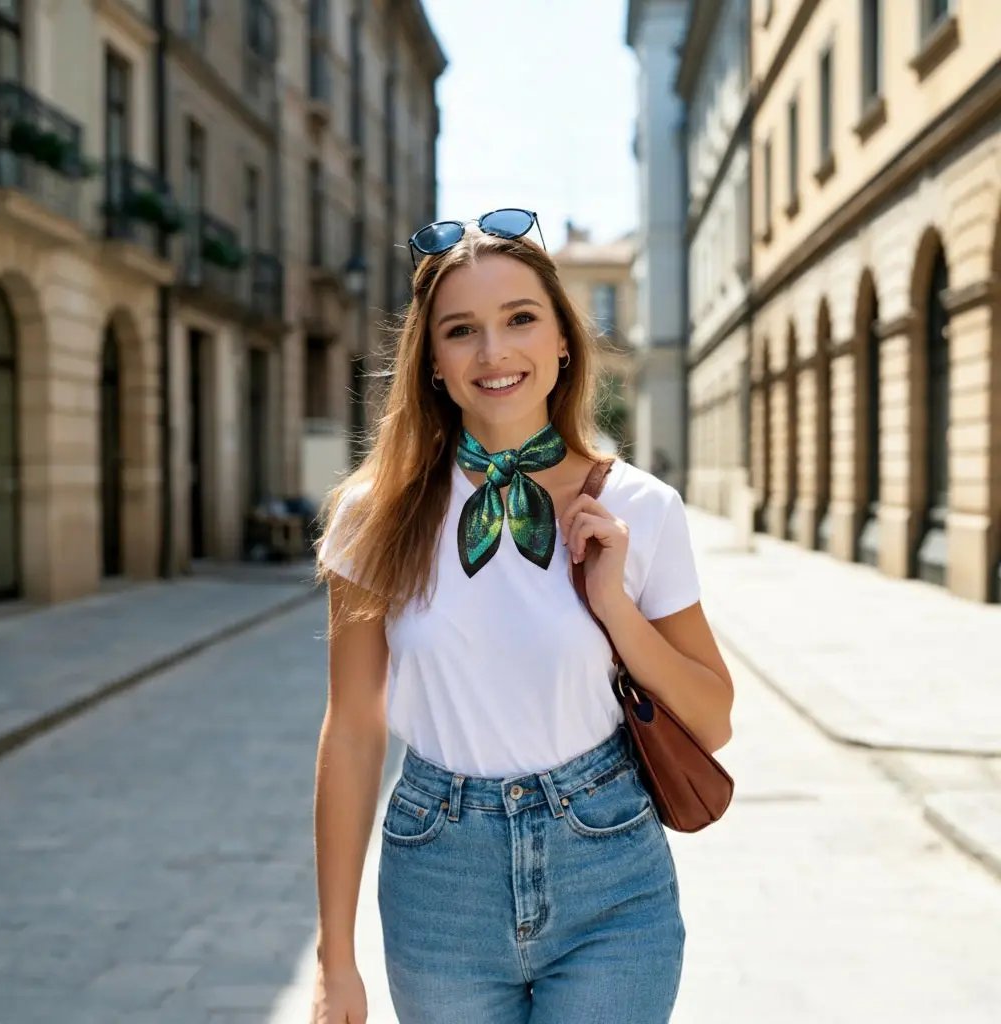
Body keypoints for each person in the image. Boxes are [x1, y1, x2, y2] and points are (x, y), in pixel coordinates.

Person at [310, 208, 734, 1024]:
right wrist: (335, 961)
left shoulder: (642, 508)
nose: (494, 353)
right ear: (431, 362)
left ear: (564, 341)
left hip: (610, 871)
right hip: (440, 881)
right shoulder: (374, 515)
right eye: (461, 330)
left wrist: (614, 606)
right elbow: (354, 730)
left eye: (520, 319)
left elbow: (711, 719)